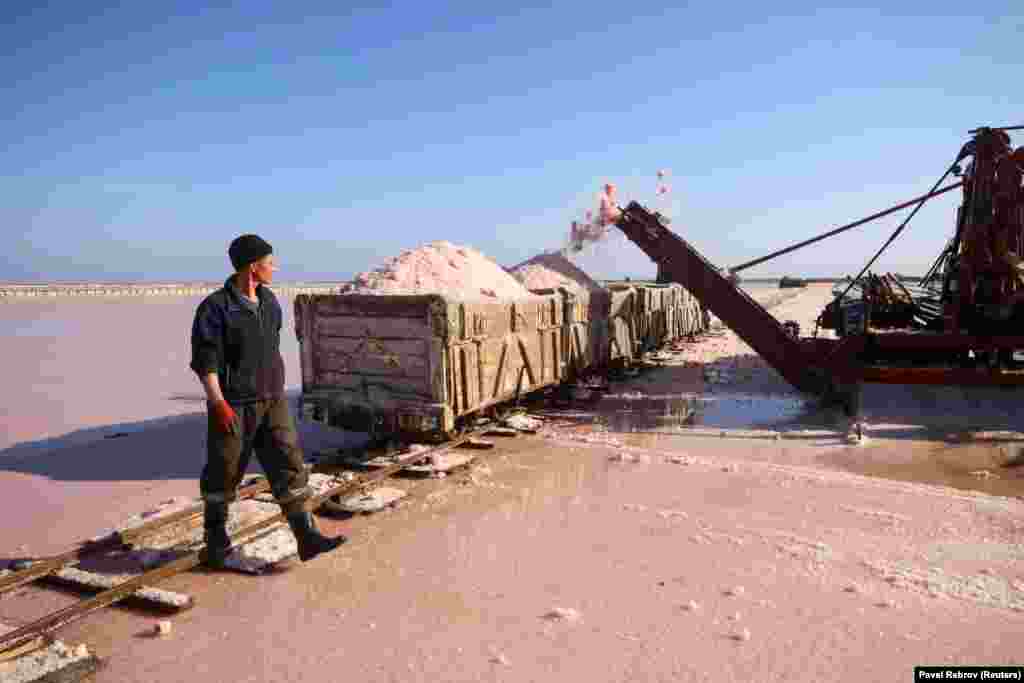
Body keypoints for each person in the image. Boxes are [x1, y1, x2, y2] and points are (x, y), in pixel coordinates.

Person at [190, 234, 346, 568]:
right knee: (225, 469)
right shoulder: (216, 308)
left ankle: (306, 537)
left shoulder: (270, 301)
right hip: (234, 404)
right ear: (251, 265)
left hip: (272, 400)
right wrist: (217, 401)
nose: (275, 267)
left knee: (288, 461)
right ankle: (215, 541)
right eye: (269, 261)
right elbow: (206, 360)